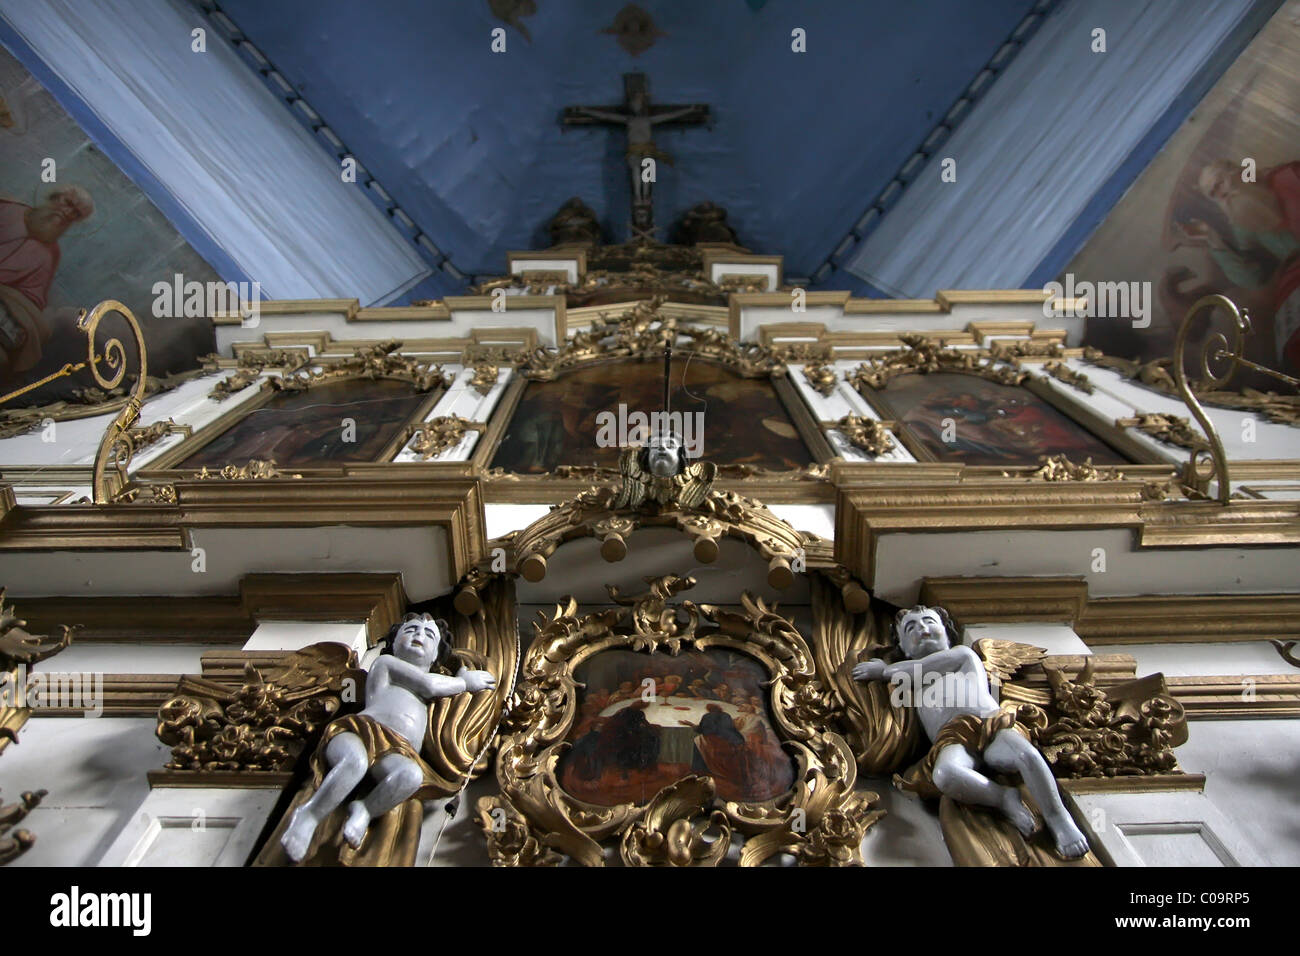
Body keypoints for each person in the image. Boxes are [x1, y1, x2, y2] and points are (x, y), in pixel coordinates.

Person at [851, 605, 1089, 858]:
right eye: (911, 628)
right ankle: (1002, 798)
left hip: (987, 722)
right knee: (946, 775)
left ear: (947, 633)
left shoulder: (961, 655)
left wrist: (885, 671)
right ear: (903, 648)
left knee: (1026, 756)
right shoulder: (910, 684)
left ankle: (1059, 819)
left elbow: (922, 667)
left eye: (929, 622)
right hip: (952, 737)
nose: (922, 629)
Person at [280, 613, 496, 862]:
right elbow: (428, 685)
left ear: (436, 654)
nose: (418, 636)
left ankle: (365, 810)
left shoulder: (435, 690)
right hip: (362, 731)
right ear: (393, 644)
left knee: (411, 776)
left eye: (428, 635)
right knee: (355, 763)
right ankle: (308, 816)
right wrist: (463, 683)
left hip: (397, 749)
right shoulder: (386, 665)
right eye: (411, 630)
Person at [0, 186, 94, 377]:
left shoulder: (50, 254)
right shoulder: (7, 209)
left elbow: (31, 298)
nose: (67, 213)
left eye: (75, 213)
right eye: (67, 203)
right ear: (54, 197)